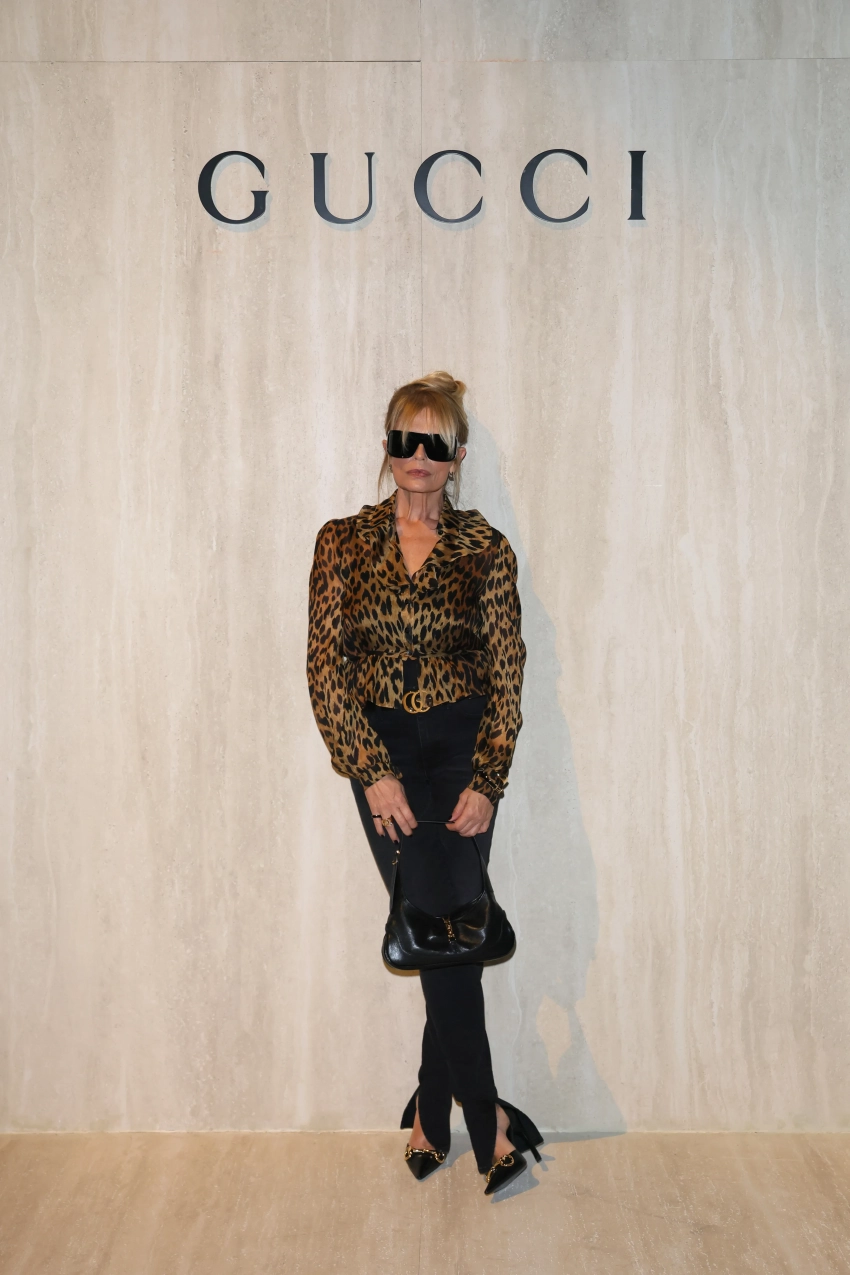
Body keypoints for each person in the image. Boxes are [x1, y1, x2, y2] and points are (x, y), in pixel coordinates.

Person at [306, 372, 543, 1195]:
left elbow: (508, 672)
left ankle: (439, 1115)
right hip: (383, 751)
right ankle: (487, 1117)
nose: (418, 454)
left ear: (457, 455)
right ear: (387, 447)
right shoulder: (342, 542)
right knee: (438, 928)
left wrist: (488, 779)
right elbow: (325, 668)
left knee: (448, 930)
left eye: (435, 441)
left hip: (463, 748)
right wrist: (370, 769)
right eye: (405, 439)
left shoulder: (486, 549)